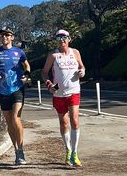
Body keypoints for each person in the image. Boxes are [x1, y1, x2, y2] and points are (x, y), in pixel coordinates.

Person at [0, 27, 31, 165]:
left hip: (17, 88)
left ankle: (21, 151)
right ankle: (16, 150)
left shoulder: (19, 52)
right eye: (1, 35)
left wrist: (27, 75)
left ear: (12, 37)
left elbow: (26, 64)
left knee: (15, 117)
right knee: (9, 122)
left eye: (6, 35)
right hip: (2, 91)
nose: (4, 37)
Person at [41, 29, 85, 167]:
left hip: (74, 91)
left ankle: (75, 154)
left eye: (64, 38)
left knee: (75, 121)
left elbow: (82, 66)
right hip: (59, 94)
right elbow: (44, 73)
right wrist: (48, 84)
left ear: (69, 39)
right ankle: (68, 150)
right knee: (64, 123)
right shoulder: (53, 56)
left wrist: (82, 71)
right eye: (59, 39)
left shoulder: (75, 52)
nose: (62, 41)